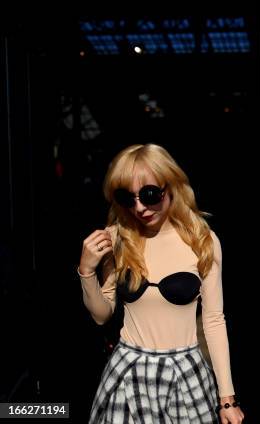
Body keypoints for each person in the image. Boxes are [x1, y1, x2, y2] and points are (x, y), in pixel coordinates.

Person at [77, 144, 245, 424]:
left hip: (185, 373)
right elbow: (101, 315)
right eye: (128, 198)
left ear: (172, 186)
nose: (140, 207)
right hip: (128, 371)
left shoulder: (203, 240)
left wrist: (227, 399)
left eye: (150, 195)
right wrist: (86, 271)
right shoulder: (117, 237)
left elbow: (214, 320)